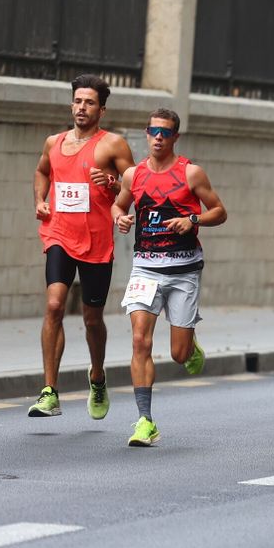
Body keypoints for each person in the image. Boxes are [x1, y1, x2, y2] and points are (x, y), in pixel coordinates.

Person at [112, 109, 227, 446]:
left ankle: (190, 346)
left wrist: (193, 219)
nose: (158, 137)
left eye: (165, 132)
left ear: (175, 136)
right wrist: (120, 218)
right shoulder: (133, 175)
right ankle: (145, 421)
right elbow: (118, 205)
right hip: (145, 267)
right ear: (146, 135)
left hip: (183, 270)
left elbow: (219, 212)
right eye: (153, 131)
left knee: (178, 354)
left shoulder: (191, 173)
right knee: (139, 340)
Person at [29, 74, 135, 420]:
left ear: (101, 109)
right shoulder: (53, 142)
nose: (81, 107)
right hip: (59, 232)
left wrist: (113, 182)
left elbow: (136, 185)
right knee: (55, 304)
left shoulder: (113, 145)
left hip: (96, 241)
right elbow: (42, 172)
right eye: (77, 101)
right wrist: (40, 200)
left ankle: (98, 376)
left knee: (92, 319)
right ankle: (49, 391)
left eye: (89, 102)